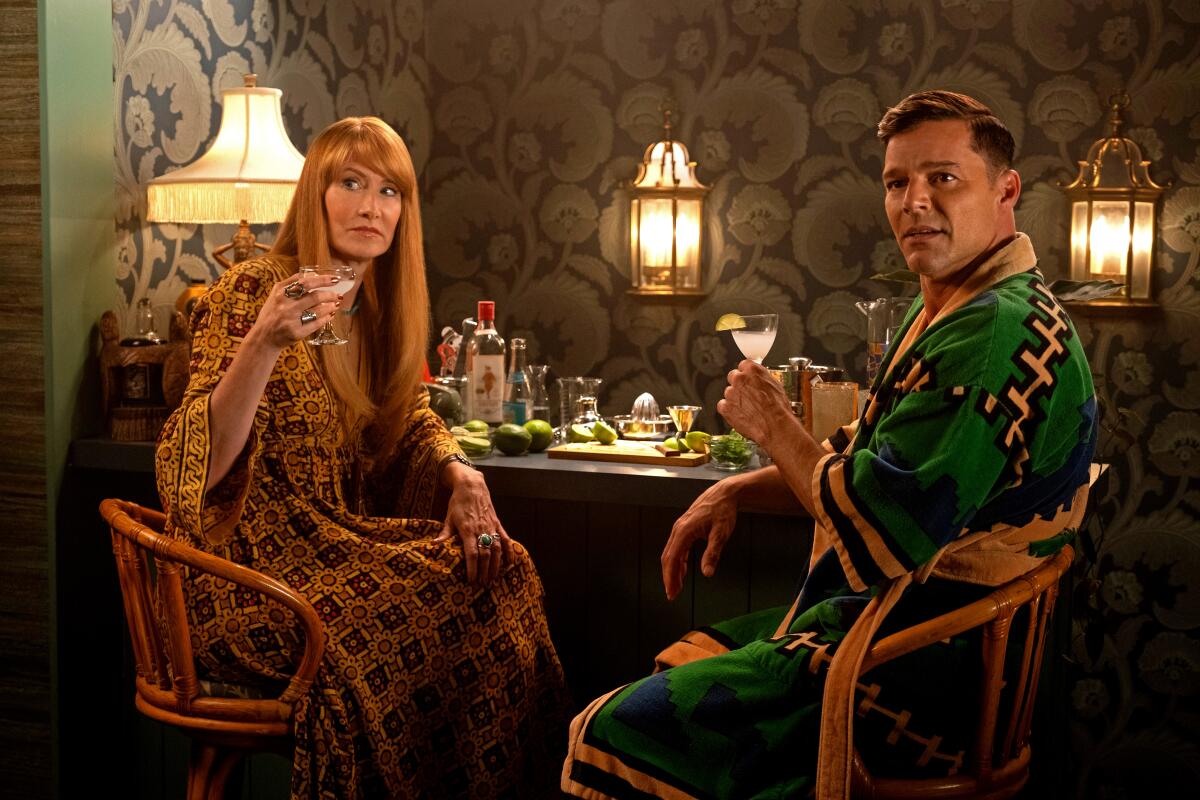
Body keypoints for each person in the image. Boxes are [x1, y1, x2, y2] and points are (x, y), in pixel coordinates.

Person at [561, 91, 1098, 799]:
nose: (914, 201)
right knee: (684, 661)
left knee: (604, 732)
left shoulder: (988, 335)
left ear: (1006, 190)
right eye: (897, 182)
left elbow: (881, 532)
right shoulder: (965, 301)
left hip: (915, 683)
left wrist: (775, 426)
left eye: (943, 178)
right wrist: (736, 486)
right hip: (930, 643)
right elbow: (869, 462)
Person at [156, 116, 569, 799]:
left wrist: (460, 473)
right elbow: (187, 473)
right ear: (316, 194)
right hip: (243, 579)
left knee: (506, 571)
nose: (371, 207)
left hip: (333, 553)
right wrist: (261, 342)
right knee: (449, 604)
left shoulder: (373, 310)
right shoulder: (251, 291)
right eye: (350, 183)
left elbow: (406, 415)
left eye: (389, 191)